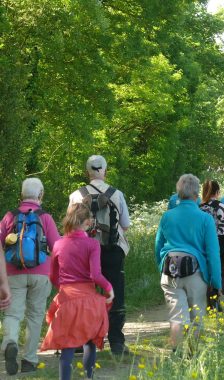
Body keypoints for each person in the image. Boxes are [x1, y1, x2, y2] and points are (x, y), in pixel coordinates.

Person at [41, 204, 114, 379]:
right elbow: (95, 275)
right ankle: (89, 377)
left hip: (67, 299)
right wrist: (109, 289)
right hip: (89, 299)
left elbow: (52, 276)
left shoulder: (58, 244)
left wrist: (65, 290)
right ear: (88, 222)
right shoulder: (92, 244)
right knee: (89, 340)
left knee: (67, 345)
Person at [69, 155, 130, 356]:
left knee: (84, 295)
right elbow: (125, 225)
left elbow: (70, 227)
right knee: (115, 294)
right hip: (112, 250)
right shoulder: (116, 194)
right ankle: (117, 343)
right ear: (105, 170)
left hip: (84, 252)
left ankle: (83, 341)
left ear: (87, 171)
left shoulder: (76, 195)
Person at [0, 178, 60, 375]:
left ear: (21, 194)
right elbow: (58, 248)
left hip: (13, 274)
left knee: (12, 314)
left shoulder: (9, 217)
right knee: (34, 316)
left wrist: (2, 282)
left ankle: (10, 343)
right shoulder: (45, 218)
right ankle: (29, 360)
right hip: (41, 273)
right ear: (40, 194)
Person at [155, 174, 221, 350]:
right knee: (197, 315)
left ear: (178, 193)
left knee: (177, 316)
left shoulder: (167, 216)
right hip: (195, 271)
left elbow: (158, 245)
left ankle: (176, 354)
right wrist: (216, 281)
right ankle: (192, 354)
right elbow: (213, 253)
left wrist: (160, 267)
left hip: (170, 269)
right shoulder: (205, 218)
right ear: (196, 194)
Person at [200, 180, 224, 301]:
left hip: (203, 242)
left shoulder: (199, 208)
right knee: (219, 267)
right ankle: (217, 294)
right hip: (221, 240)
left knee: (205, 268)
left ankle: (207, 295)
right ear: (218, 192)